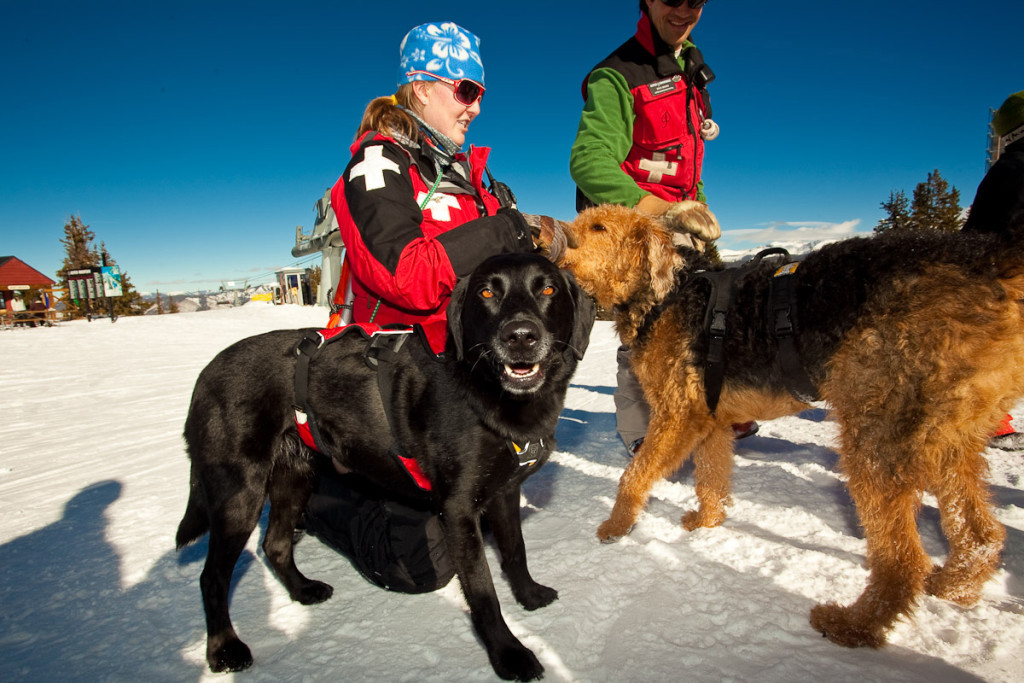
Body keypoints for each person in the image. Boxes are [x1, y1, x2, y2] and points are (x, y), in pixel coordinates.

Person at [302, 21, 565, 593]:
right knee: (422, 568)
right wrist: (500, 231)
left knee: (526, 453)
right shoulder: (377, 166)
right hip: (398, 383)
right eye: (465, 90)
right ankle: (319, 494)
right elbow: (408, 277)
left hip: (471, 376)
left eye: (480, 95)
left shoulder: (477, 178)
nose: (474, 108)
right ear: (422, 86)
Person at [569, 0, 756, 457]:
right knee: (649, 321)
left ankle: (711, 407)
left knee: (709, 310)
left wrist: (699, 211)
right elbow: (588, 161)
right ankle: (641, 431)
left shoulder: (692, 71)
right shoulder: (616, 75)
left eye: (695, 1)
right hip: (633, 225)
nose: (683, 10)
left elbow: (685, 166)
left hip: (679, 221)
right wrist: (661, 211)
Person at [962, 89, 1024, 451]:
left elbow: (975, 237)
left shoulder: (1009, 169)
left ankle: (992, 420)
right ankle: (991, 420)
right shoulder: (1013, 170)